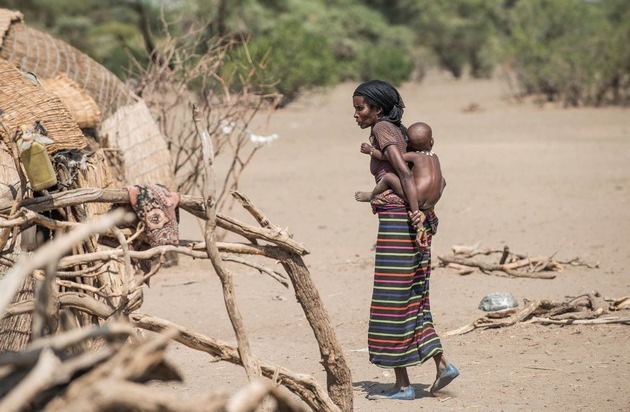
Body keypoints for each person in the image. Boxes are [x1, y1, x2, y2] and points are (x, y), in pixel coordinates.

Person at [352, 80, 459, 401]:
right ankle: (441, 364)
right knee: (413, 297)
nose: (356, 114)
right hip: (410, 220)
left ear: (378, 109)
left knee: (391, 301)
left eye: (360, 108)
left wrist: (414, 213)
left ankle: (403, 385)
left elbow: (405, 174)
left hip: (400, 222)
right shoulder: (395, 129)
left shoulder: (384, 130)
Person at [354, 121, 446, 251]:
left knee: (389, 177)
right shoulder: (435, 157)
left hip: (416, 196)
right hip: (433, 198)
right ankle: (426, 209)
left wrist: (371, 151)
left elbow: (391, 158)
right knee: (442, 180)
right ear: (432, 142)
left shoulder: (414, 156)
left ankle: (371, 195)